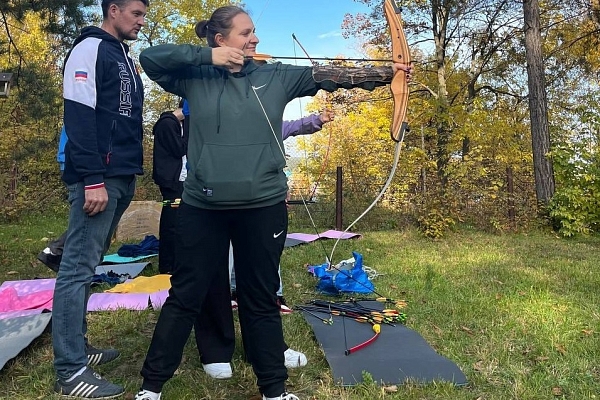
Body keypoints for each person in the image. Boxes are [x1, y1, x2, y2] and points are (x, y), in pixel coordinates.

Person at [135, 5, 411, 400]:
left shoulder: (276, 75)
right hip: (202, 206)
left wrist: (390, 72)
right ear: (220, 40)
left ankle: (274, 391)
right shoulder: (194, 78)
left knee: (260, 296)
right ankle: (150, 388)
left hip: (262, 206)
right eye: (246, 33)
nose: (255, 39)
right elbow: (150, 58)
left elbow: (334, 76)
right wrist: (207, 58)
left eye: (254, 33)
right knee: (186, 294)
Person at [52, 0, 147, 398]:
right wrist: (92, 178)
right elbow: (79, 115)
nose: (141, 22)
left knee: (90, 264)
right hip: (97, 177)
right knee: (75, 268)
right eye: (136, 14)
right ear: (112, 10)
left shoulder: (122, 55)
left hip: (120, 175)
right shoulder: (89, 48)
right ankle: (70, 371)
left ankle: (80, 347)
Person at [152, 100, 187, 274]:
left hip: (183, 179)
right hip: (172, 181)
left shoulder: (180, 125)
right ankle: (167, 265)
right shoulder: (167, 123)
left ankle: (179, 261)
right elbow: (179, 149)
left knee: (181, 222)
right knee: (171, 222)